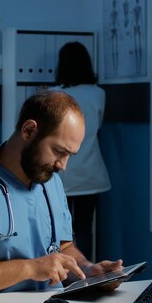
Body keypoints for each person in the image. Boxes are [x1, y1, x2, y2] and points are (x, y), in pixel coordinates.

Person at [0, 90, 123, 294]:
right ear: (29, 130)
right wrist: (30, 268)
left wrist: (86, 270)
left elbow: (63, 248)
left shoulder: (50, 181)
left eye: (70, 155)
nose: (63, 166)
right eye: (58, 151)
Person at [50, 41, 111, 261]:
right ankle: (88, 275)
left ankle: (65, 275)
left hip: (61, 174)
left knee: (59, 231)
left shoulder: (53, 95)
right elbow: (98, 126)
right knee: (85, 228)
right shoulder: (98, 93)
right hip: (91, 173)